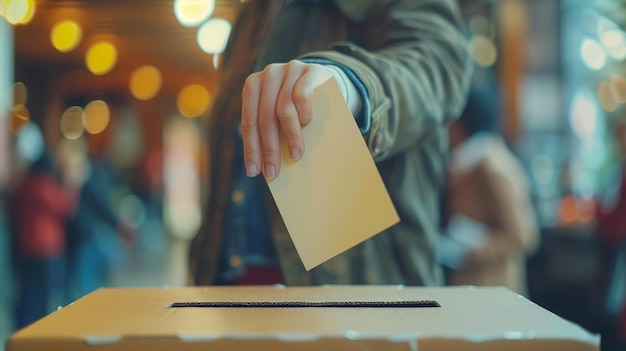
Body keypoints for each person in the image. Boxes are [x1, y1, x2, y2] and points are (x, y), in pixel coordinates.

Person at [189, 0, 472, 286]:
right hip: (230, 285)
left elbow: (435, 68)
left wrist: (347, 83)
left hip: (359, 292)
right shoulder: (253, 12)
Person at [437, 88, 539, 296]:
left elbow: (523, 236)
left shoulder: (492, 167)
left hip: (494, 290)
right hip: (475, 289)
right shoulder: (469, 163)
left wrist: (467, 249)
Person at [9, 149, 78, 328]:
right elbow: (67, 208)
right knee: (45, 296)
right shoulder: (47, 187)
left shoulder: (23, 186)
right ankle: (41, 329)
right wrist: (71, 184)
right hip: (48, 249)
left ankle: (24, 329)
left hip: (25, 248)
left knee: (27, 293)